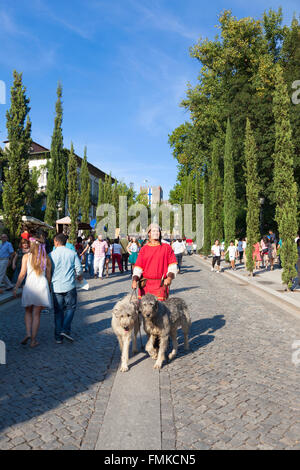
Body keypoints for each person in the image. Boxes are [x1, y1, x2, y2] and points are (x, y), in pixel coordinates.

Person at [13, 237, 52, 348]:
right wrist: (48, 287)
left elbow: (22, 274)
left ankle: (28, 333)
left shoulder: (26, 257)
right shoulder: (46, 258)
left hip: (30, 285)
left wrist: (16, 287)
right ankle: (33, 340)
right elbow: (49, 275)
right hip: (41, 285)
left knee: (28, 311)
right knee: (37, 314)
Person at [49, 233, 83, 343]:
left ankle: (58, 337)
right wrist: (78, 276)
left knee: (58, 311)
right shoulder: (72, 253)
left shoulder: (51, 255)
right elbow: (79, 269)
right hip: (69, 285)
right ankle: (65, 329)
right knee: (71, 308)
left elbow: (48, 271)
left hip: (56, 286)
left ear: (57, 242)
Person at [131, 224, 177, 301]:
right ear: (149, 233)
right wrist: (135, 280)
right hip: (145, 286)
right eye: (153, 231)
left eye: (158, 231)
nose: (156, 233)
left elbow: (172, 266)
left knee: (161, 311)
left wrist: (169, 278)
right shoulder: (144, 249)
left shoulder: (166, 248)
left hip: (161, 285)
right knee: (145, 311)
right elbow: (138, 268)